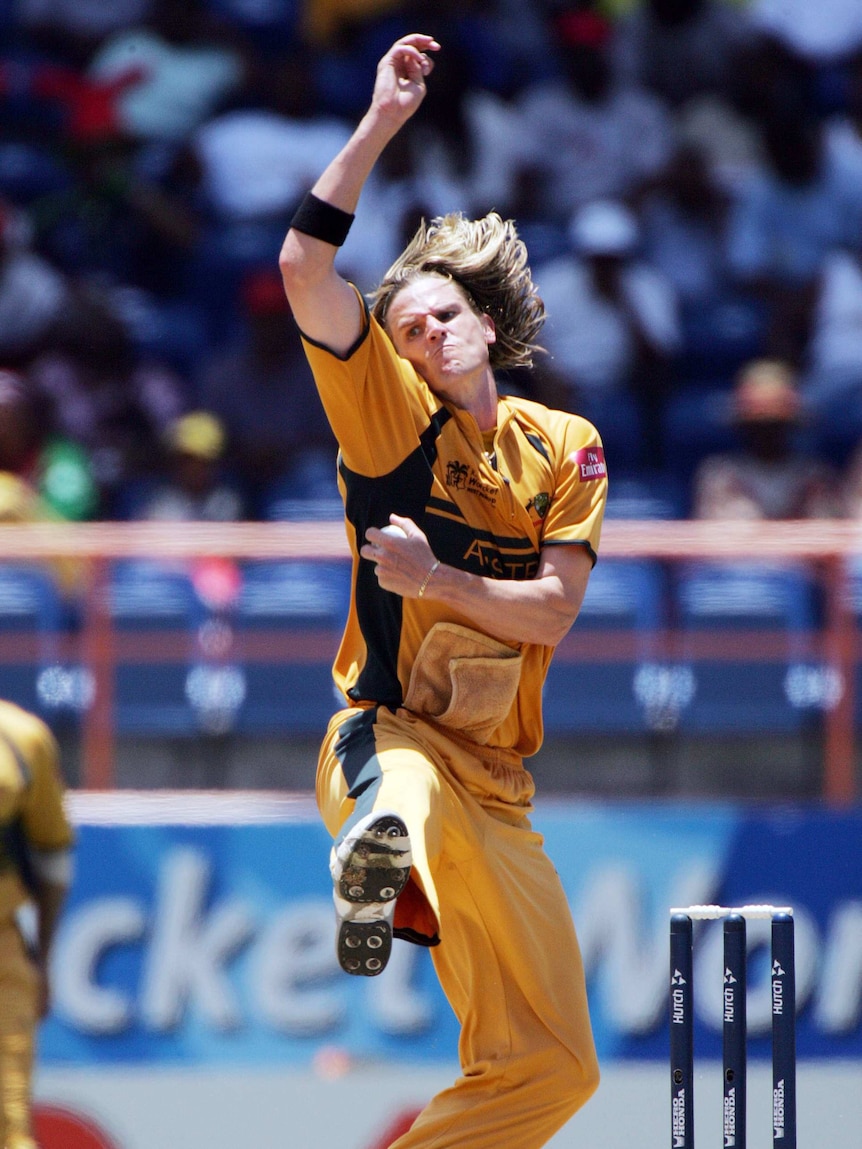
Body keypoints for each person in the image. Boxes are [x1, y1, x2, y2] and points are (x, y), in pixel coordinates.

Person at [278, 33, 603, 1149]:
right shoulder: (388, 424)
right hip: (392, 733)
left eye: (440, 317)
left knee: (554, 1070)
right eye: (405, 327)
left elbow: (554, 611)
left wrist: (436, 577)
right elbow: (303, 273)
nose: (421, 332)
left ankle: (387, 858)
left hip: (501, 786)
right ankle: (373, 853)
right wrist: (377, 127)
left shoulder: (564, 445)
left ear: (487, 325)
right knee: (395, 796)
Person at [0, 699, 75, 1149]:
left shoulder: (22, 738)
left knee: (9, 1127)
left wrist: (41, 961)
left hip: (3, 952)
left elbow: (52, 857)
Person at [691, 358, 844, 519]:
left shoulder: (814, 475)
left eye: (774, 425)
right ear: (743, 428)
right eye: (757, 426)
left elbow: (826, 531)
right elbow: (713, 534)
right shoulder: (720, 474)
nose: (766, 434)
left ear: (789, 427)